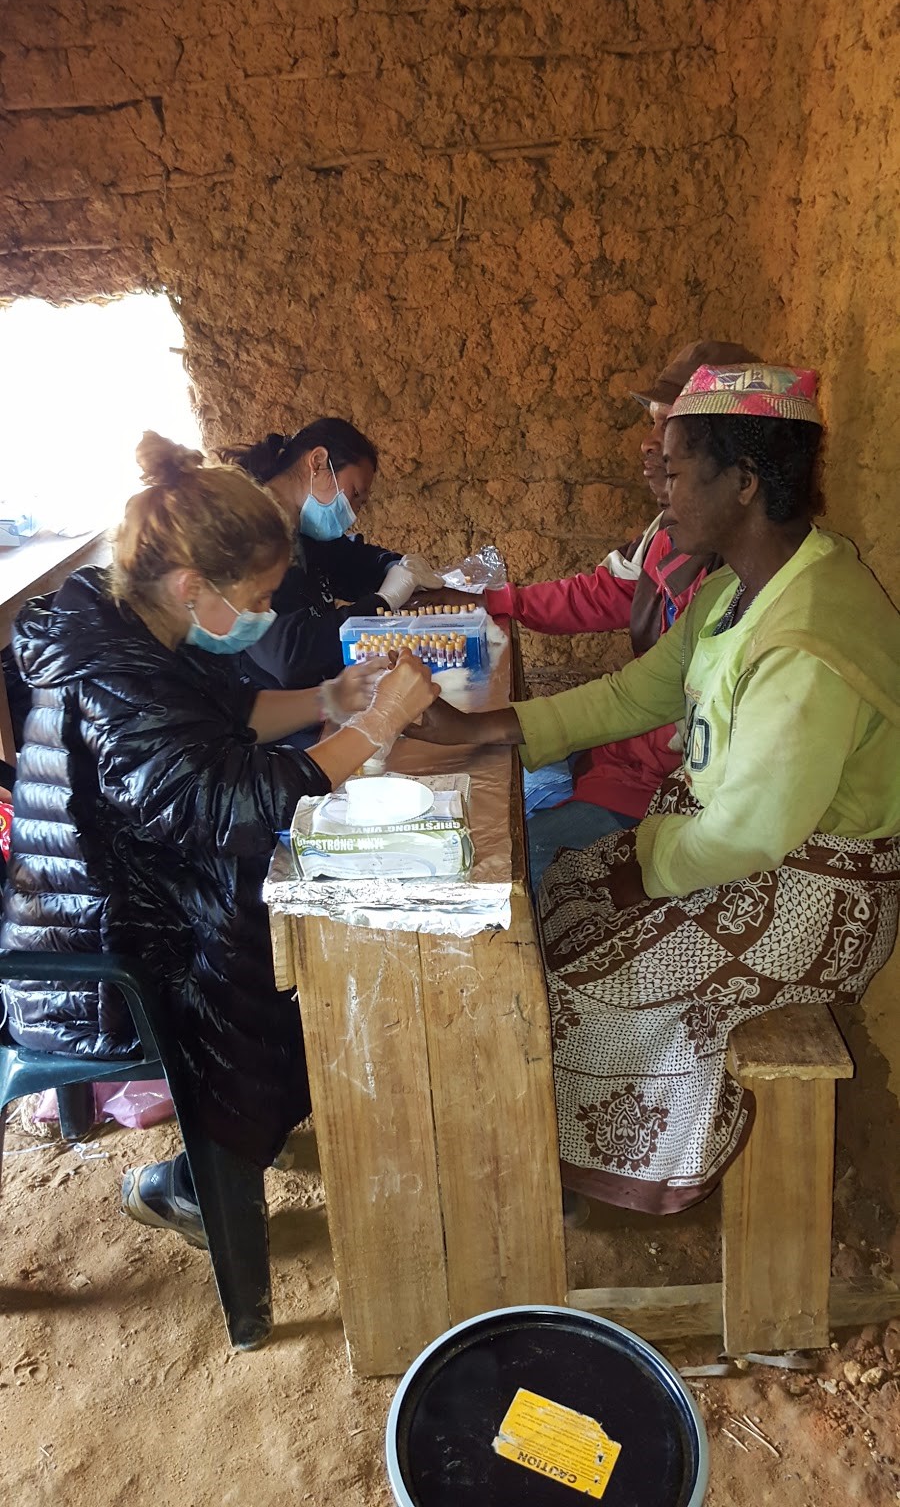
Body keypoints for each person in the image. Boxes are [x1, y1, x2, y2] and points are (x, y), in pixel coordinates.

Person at [407, 365, 900, 1215]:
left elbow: (749, 835)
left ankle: (572, 1175)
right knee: (557, 899)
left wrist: (648, 867)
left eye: (675, 470)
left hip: (815, 897)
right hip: (733, 851)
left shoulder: (806, 637)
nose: (659, 491)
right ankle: (570, 1140)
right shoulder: (735, 588)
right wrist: (479, 730)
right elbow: (634, 694)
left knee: (577, 984)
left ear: (743, 482)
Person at [0, 433, 437, 1247]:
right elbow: (226, 801)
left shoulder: (140, 624)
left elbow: (226, 718)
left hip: (136, 886)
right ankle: (203, 1182)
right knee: (276, 950)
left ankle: (245, 1143)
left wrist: (332, 699)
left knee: (295, 922)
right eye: (260, 599)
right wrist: (377, 724)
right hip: (100, 952)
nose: (266, 616)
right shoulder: (112, 675)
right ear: (191, 585)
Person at [482, 339, 758, 887]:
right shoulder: (668, 531)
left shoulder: (738, 579)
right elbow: (606, 596)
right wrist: (503, 602)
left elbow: (650, 709)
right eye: (652, 423)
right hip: (613, 760)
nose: (649, 443)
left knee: (508, 864)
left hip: (648, 791)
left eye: (669, 425)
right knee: (496, 796)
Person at [221, 417, 444, 696]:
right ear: (317, 462)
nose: (353, 514)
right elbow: (290, 656)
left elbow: (350, 561)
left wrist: (395, 565)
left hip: (317, 699)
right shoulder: (246, 537)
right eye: (354, 494)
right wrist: (383, 602)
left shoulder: (303, 531)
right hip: (265, 708)